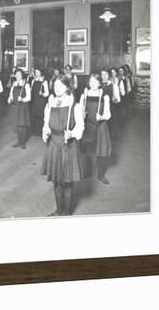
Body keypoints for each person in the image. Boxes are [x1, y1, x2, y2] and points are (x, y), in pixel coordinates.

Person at [41, 74, 85, 216]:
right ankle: (58, 209)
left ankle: (66, 212)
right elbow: (46, 123)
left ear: (67, 87)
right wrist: (46, 131)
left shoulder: (74, 105)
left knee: (67, 181)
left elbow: (80, 126)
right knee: (56, 180)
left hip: (68, 146)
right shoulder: (51, 103)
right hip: (53, 144)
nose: (57, 88)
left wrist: (72, 133)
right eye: (55, 86)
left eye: (60, 86)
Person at [80, 74, 112, 185]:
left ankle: (101, 174)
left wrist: (102, 117)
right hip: (88, 126)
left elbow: (108, 114)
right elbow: (80, 110)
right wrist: (82, 114)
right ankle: (87, 172)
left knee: (101, 152)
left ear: (99, 83)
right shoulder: (85, 94)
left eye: (95, 82)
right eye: (91, 81)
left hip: (101, 127)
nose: (92, 84)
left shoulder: (104, 96)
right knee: (88, 150)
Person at [7, 68, 31, 149]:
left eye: (19, 74)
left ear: (22, 75)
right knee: (17, 124)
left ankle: (23, 142)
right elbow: (11, 93)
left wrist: (22, 99)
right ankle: (19, 141)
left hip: (22, 107)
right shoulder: (14, 83)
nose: (17, 76)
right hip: (15, 106)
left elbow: (29, 97)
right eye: (16, 74)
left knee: (22, 125)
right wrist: (9, 98)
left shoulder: (26, 84)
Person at [30, 68, 49, 137]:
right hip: (34, 100)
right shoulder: (33, 80)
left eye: (38, 72)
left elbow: (47, 93)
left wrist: (42, 93)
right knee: (34, 115)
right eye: (35, 72)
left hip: (41, 101)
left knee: (41, 116)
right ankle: (35, 131)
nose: (36, 73)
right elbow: (31, 90)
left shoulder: (44, 81)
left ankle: (41, 131)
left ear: (41, 73)